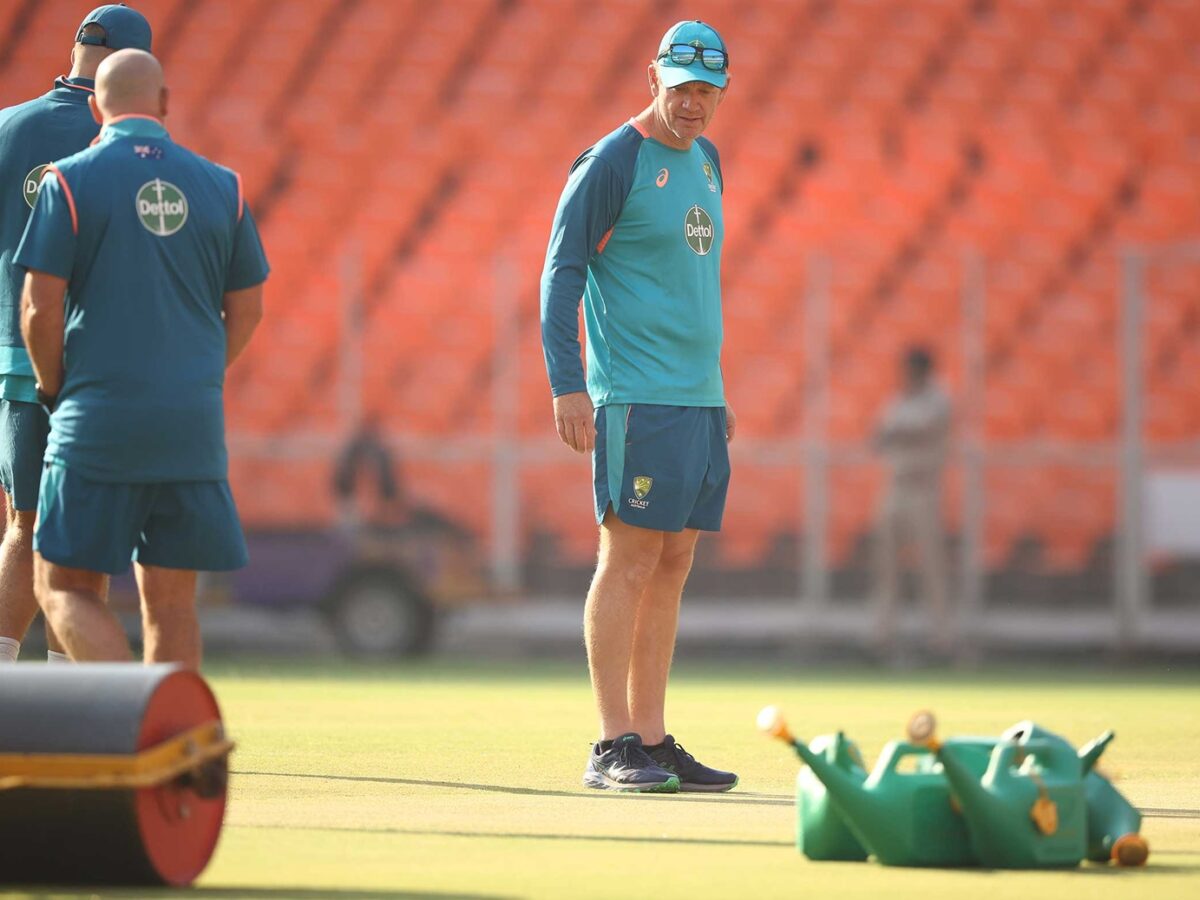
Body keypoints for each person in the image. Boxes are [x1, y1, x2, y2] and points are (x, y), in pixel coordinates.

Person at [15, 48, 268, 669]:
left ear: (96, 106)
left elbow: (37, 310)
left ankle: (130, 718)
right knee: (172, 605)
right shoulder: (223, 188)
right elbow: (249, 310)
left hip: (99, 415)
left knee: (62, 585)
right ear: (165, 103)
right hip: (191, 422)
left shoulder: (69, 181)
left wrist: (55, 387)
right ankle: (169, 750)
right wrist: (202, 376)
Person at [540, 20, 737, 793]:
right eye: (682, 86)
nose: (693, 104)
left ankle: (652, 739)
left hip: (697, 398)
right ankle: (611, 743)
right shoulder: (612, 161)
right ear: (654, 76)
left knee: (675, 562)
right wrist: (568, 383)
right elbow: (561, 274)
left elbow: (690, 285)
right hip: (634, 397)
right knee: (626, 561)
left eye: (707, 91)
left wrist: (717, 391)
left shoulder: (711, 162)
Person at [0, 4, 153, 664]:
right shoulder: (124, 141)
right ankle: (77, 699)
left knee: (22, 525)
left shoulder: (5, 127)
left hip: (12, 354)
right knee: (83, 537)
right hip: (94, 368)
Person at [872, 345, 953, 655]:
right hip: (895, 487)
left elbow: (916, 429)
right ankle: (882, 638)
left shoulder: (938, 398)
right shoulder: (897, 399)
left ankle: (941, 639)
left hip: (923, 489)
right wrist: (895, 433)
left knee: (931, 566)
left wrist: (897, 433)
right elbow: (879, 437)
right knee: (886, 567)